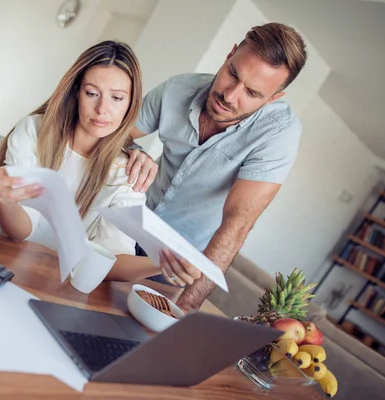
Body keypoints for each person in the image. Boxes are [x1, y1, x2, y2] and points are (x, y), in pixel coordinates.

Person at [123, 23, 308, 311]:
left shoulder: (278, 134)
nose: (230, 95)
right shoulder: (177, 89)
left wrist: (184, 308)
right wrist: (134, 152)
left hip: (174, 262)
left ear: (273, 99)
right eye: (233, 74)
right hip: (126, 223)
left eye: (253, 93)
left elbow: (237, 223)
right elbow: (115, 136)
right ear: (229, 55)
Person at [0, 41, 188, 282]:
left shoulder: (126, 173)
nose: (102, 109)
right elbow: (20, 231)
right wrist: (6, 199)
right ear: (76, 91)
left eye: (117, 98)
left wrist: (164, 262)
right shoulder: (34, 131)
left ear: (130, 105)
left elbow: (111, 258)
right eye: (92, 93)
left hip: (40, 279)